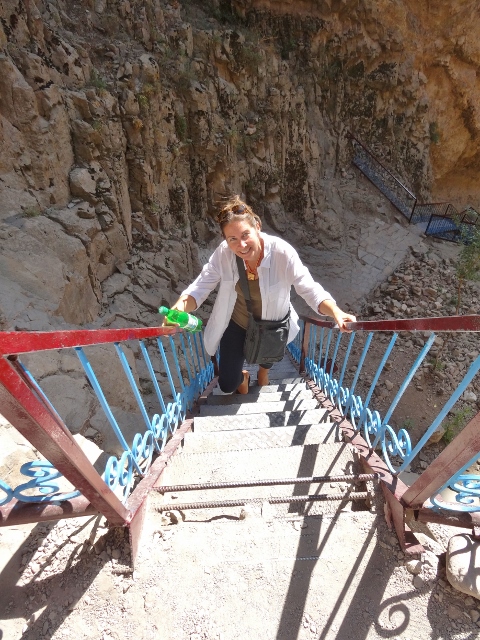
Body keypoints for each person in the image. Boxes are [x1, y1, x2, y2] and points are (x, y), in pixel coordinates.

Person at [165, 195, 356, 394]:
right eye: (232, 239)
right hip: (238, 322)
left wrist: (336, 312)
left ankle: (264, 372)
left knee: (268, 356)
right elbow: (200, 287)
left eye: (245, 235)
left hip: (272, 324)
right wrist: (178, 309)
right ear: (226, 240)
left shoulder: (282, 253)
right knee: (228, 385)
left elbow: (309, 288)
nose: (241, 245)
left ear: (257, 226)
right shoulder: (224, 254)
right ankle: (244, 377)